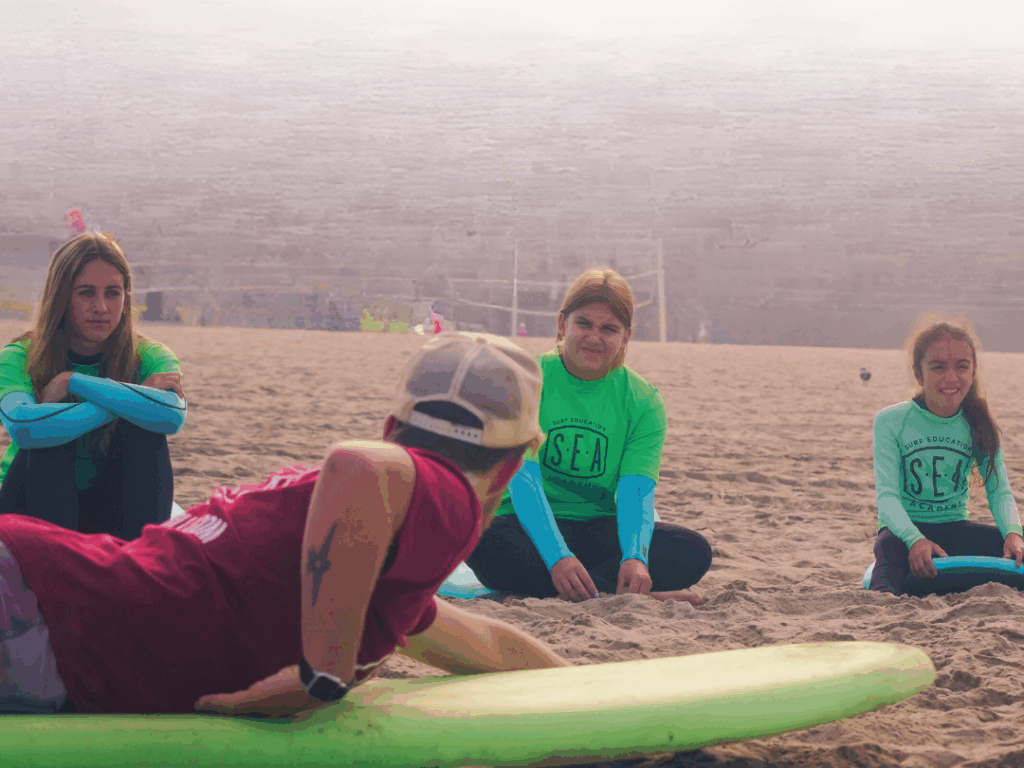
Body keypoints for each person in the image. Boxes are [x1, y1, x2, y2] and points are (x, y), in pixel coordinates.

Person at [0, 331, 566, 716]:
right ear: (516, 461)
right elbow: (358, 464)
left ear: (393, 425)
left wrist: (589, 686)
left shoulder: (371, 563)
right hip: (42, 610)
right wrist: (323, 678)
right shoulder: (448, 495)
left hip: (46, 599)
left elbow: (485, 642)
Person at [467, 268, 712, 603]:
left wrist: (635, 559)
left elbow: (635, 490)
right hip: (523, 525)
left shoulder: (643, 400)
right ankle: (625, 594)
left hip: (597, 526)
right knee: (475, 534)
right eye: (584, 323)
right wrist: (558, 557)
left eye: (609, 328)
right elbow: (524, 480)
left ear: (625, 336)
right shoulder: (524, 382)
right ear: (562, 324)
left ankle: (558, 591)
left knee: (691, 550)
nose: (594, 337)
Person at [0, 232, 186, 538]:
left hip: (108, 509)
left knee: (147, 430)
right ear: (60, 296)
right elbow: (24, 426)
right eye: (86, 292)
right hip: (28, 508)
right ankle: (60, 573)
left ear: (126, 298)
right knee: (50, 430)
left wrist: (73, 382)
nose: (101, 307)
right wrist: (131, 400)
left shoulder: (150, 356)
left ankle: (137, 570)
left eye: (112, 293)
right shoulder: (20, 356)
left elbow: (172, 416)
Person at [868, 314, 1024, 594]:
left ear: (973, 371)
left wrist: (1014, 533)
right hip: (903, 534)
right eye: (938, 367)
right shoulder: (891, 421)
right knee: (889, 548)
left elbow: (999, 492)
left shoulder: (981, 424)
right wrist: (915, 540)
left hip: (955, 530)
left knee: (1017, 548)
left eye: (962, 366)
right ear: (919, 373)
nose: (951, 378)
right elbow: (887, 498)